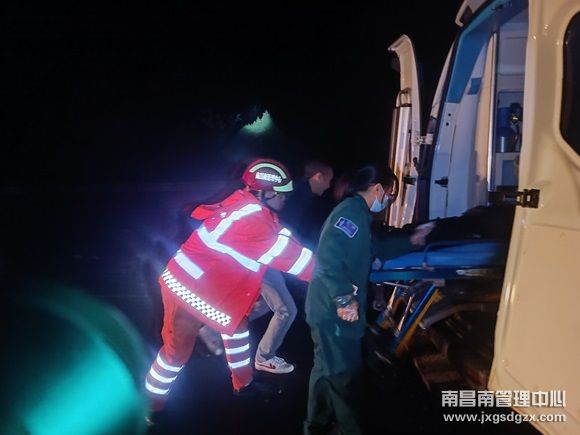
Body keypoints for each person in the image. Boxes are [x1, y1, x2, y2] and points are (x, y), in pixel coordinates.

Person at [144, 158, 315, 420]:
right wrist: (333, 278)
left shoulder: (250, 206)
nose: (285, 199)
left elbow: (282, 238)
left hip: (208, 287)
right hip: (187, 291)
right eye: (282, 194)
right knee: (175, 355)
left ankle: (243, 385)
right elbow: (295, 259)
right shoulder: (252, 219)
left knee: (238, 329)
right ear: (264, 192)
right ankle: (151, 407)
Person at [303, 164, 433, 435]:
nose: (390, 199)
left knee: (326, 369)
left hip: (326, 308)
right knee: (345, 376)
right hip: (335, 311)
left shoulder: (359, 214)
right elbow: (327, 259)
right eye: (390, 193)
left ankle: (315, 425)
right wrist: (343, 299)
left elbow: (375, 246)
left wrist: (412, 240)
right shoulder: (350, 214)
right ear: (377, 189)